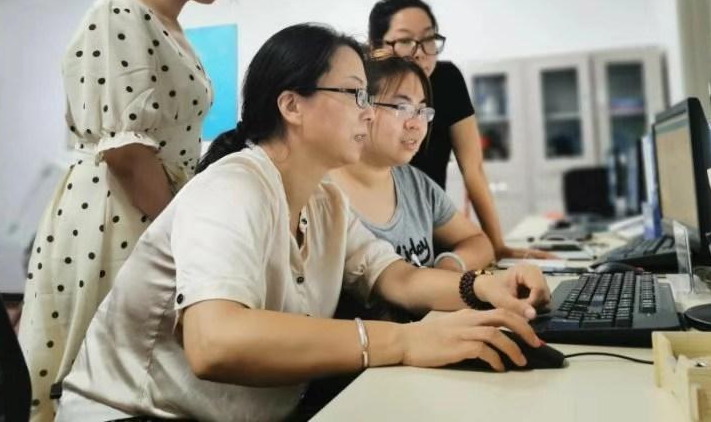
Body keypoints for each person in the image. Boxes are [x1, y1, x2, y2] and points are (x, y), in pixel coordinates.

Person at [55, 23, 550, 422]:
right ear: (292, 105)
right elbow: (214, 342)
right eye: (356, 94)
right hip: (137, 414)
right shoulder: (232, 187)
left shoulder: (325, 199)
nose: (369, 114)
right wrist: (403, 341)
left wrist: (484, 287)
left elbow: (397, 277)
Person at [18, 0, 251, 421]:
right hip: (117, 210)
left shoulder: (174, 29)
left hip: (149, 209)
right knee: (97, 372)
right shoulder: (119, 10)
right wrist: (183, 239)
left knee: (130, 369)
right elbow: (126, 152)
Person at [368, 0, 553, 261]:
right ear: (376, 47)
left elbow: (473, 168)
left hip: (432, 221)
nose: (420, 52)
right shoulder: (364, 97)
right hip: (381, 228)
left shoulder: (447, 79)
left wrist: (496, 245)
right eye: (405, 40)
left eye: (428, 38)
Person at [331, 55, 494, 273]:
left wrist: (449, 266)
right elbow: (398, 284)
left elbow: (478, 241)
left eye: (422, 110)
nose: (417, 124)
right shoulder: (324, 195)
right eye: (403, 107)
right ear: (362, 106)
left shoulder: (415, 184)